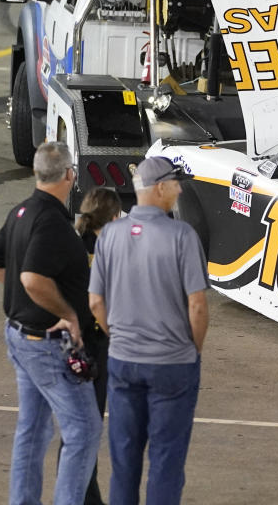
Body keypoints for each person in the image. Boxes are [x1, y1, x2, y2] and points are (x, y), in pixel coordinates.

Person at [0, 142, 103, 505]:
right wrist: (66, 314)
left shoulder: (21, 211)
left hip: (21, 338)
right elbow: (32, 279)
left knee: (32, 430)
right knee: (83, 429)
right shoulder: (52, 223)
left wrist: (25, 304)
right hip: (47, 347)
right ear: (69, 174)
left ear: (37, 173)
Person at [88, 156, 210, 505]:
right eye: (176, 183)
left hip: (124, 363)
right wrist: (192, 350)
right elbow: (198, 306)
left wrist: (121, 338)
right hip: (172, 365)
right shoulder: (182, 235)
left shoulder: (110, 234)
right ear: (159, 188)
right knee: (166, 462)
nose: (180, 189)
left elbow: (96, 302)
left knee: (124, 463)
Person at [65, 187, 122, 505]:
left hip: (70, 345)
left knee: (77, 427)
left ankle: (81, 494)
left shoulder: (74, 245)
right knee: (87, 427)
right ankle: (84, 498)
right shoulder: (109, 251)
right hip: (96, 346)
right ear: (114, 217)